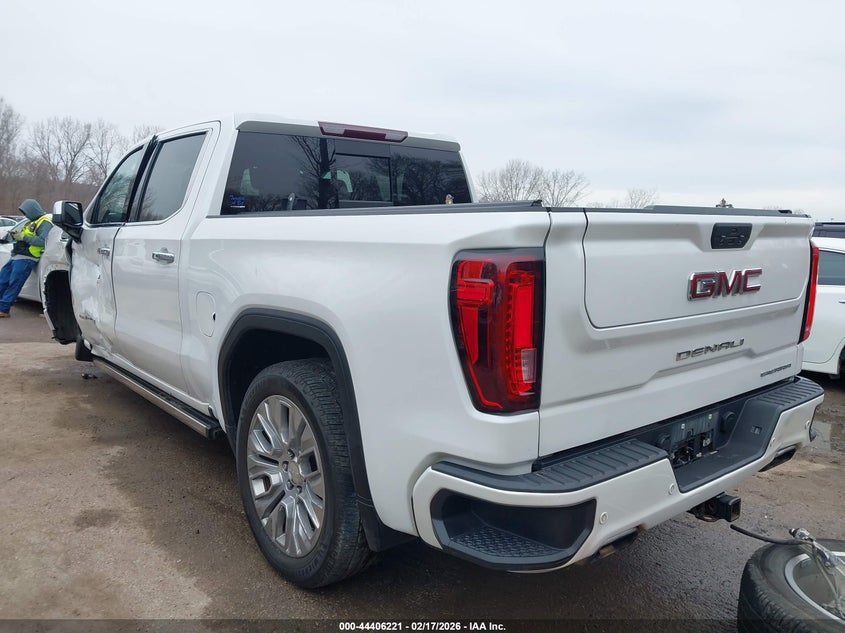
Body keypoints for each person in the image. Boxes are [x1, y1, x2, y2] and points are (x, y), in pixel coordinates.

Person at [0, 199, 53, 318]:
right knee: (3, 280)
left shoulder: (45, 222)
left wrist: (23, 237)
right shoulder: (31, 221)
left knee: (15, 283)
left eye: (26, 212)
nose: (25, 215)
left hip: (27, 257)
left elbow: (43, 241)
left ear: (32, 210)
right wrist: (16, 236)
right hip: (17, 256)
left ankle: (4, 309)